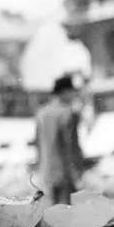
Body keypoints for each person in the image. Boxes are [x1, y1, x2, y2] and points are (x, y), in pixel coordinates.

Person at [34, 74, 86, 205]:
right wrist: (76, 175)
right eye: (72, 92)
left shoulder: (41, 113)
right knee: (65, 215)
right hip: (64, 174)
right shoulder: (67, 113)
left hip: (46, 173)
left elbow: (38, 145)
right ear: (64, 92)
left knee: (50, 214)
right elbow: (69, 146)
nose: (74, 96)